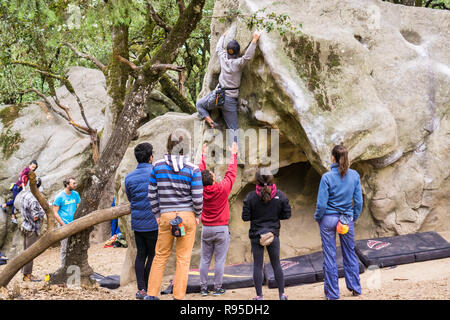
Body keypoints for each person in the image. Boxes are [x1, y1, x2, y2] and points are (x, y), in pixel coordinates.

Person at [146, 129, 203, 300]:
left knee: (160, 256)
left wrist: (157, 213)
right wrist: (197, 214)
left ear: (168, 146)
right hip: (187, 216)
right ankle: (178, 297)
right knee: (183, 259)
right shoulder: (193, 169)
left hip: (166, 215)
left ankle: (151, 294)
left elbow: (151, 194)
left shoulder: (157, 166)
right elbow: (198, 198)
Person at [195, 30, 261, 165]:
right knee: (233, 129)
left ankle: (210, 121)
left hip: (217, 95)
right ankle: (237, 157)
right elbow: (247, 57)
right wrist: (254, 40)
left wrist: (223, 36)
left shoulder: (223, 58)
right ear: (237, 53)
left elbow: (219, 48)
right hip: (229, 100)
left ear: (228, 51)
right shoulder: (238, 64)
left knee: (199, 104)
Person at [314, 144, 363, 300]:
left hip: (328, 219)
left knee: (330, 256)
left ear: (333, 158)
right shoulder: (354, 175)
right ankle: (355, 288)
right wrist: (353, 217)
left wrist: (317, 217)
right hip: (346, 219)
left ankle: (333, 294)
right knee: (350, 253)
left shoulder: (327, 177)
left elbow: (321, 204)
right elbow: (359, 202)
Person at [242, 168, 291, 300]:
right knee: (276, 264)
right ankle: (282, 294)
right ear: (271, 179)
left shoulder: (251, 197)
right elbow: (287, 214)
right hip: (273, 234)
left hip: (256, 235)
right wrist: (275, 217)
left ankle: (259, 296)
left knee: (258, 265)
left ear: (257, 180)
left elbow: (245, 217)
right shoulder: (280, 195)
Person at [198, 142, 238, 296]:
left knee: (205, 260)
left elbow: (201, 174)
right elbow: (231, 173)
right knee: (219, 260)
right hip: (221, 229)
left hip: (206, 229)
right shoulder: (222, 189)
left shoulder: (200, 189)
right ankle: (217, 288)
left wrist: (203, 156)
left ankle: (203, 288)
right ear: (213, 179)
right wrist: (233, 154)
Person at [124, 142, 159, 300]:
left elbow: (131, 198)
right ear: (151, 157)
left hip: (138, 223)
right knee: (153, 255)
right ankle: (147, 287)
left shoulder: (129, 177)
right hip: (153, 222)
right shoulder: (156, 173)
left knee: (141, 254)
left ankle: (141, 289)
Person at [20, 178, 45, 282]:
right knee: (30, 253)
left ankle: (25, 273)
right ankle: (28, 276)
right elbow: (35, 217)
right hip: (32, 228)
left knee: (25, 252)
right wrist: (43, 211)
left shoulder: (24, 194)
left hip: (25, 226)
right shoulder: (34, 199)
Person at [53, 176, 81, 267]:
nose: (75, 185)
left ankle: (74, 267)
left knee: (76, 247)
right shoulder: (59, 197)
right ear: (67, 185)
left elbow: (79, 208)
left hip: (75, 224)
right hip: (64, 225)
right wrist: (63, 225)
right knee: (64, 249)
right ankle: (63, 268)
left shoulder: (76, 194)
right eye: (73, 183)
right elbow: (55, 213)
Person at [2, 160, 38, 224]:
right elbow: (22, 178)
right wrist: (24, 188)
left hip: (19, 187)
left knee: (14, 200)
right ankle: (13, 217)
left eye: (34, 168)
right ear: (30, 165)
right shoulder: (27, 170)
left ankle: (4, 205)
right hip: (17, 187)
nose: (33, 169)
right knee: (15, 202)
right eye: (32, 167)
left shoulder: (29, 171)